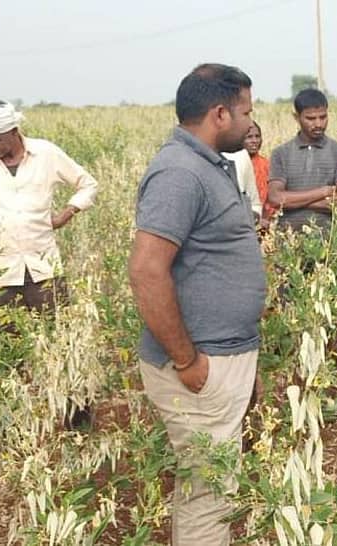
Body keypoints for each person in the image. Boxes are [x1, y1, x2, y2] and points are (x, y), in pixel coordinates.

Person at [128, 63, 266, 546]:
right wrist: (187, 359)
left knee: (215, 485)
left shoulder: (207, 165)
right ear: (220, 113)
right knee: (210, 491)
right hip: (201, 364)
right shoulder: (179, 173)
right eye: (246, 112)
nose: (252, 123)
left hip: (223, 355)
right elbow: (146, 270)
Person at [0, 99, 98, 312]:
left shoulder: (46, 153)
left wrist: (65, 215)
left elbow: (88, 185)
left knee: (54, 332)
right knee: (4, 341)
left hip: (44, 267)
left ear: (14, 131)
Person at [267, 88, 337, 232]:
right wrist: (324, 191)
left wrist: (293, 201)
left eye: (323, 117)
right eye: (310, 119)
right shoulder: (281, 153)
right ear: (296, 117)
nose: (318, 124)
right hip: (288, 241)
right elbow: (275, 198)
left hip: (328, 243)